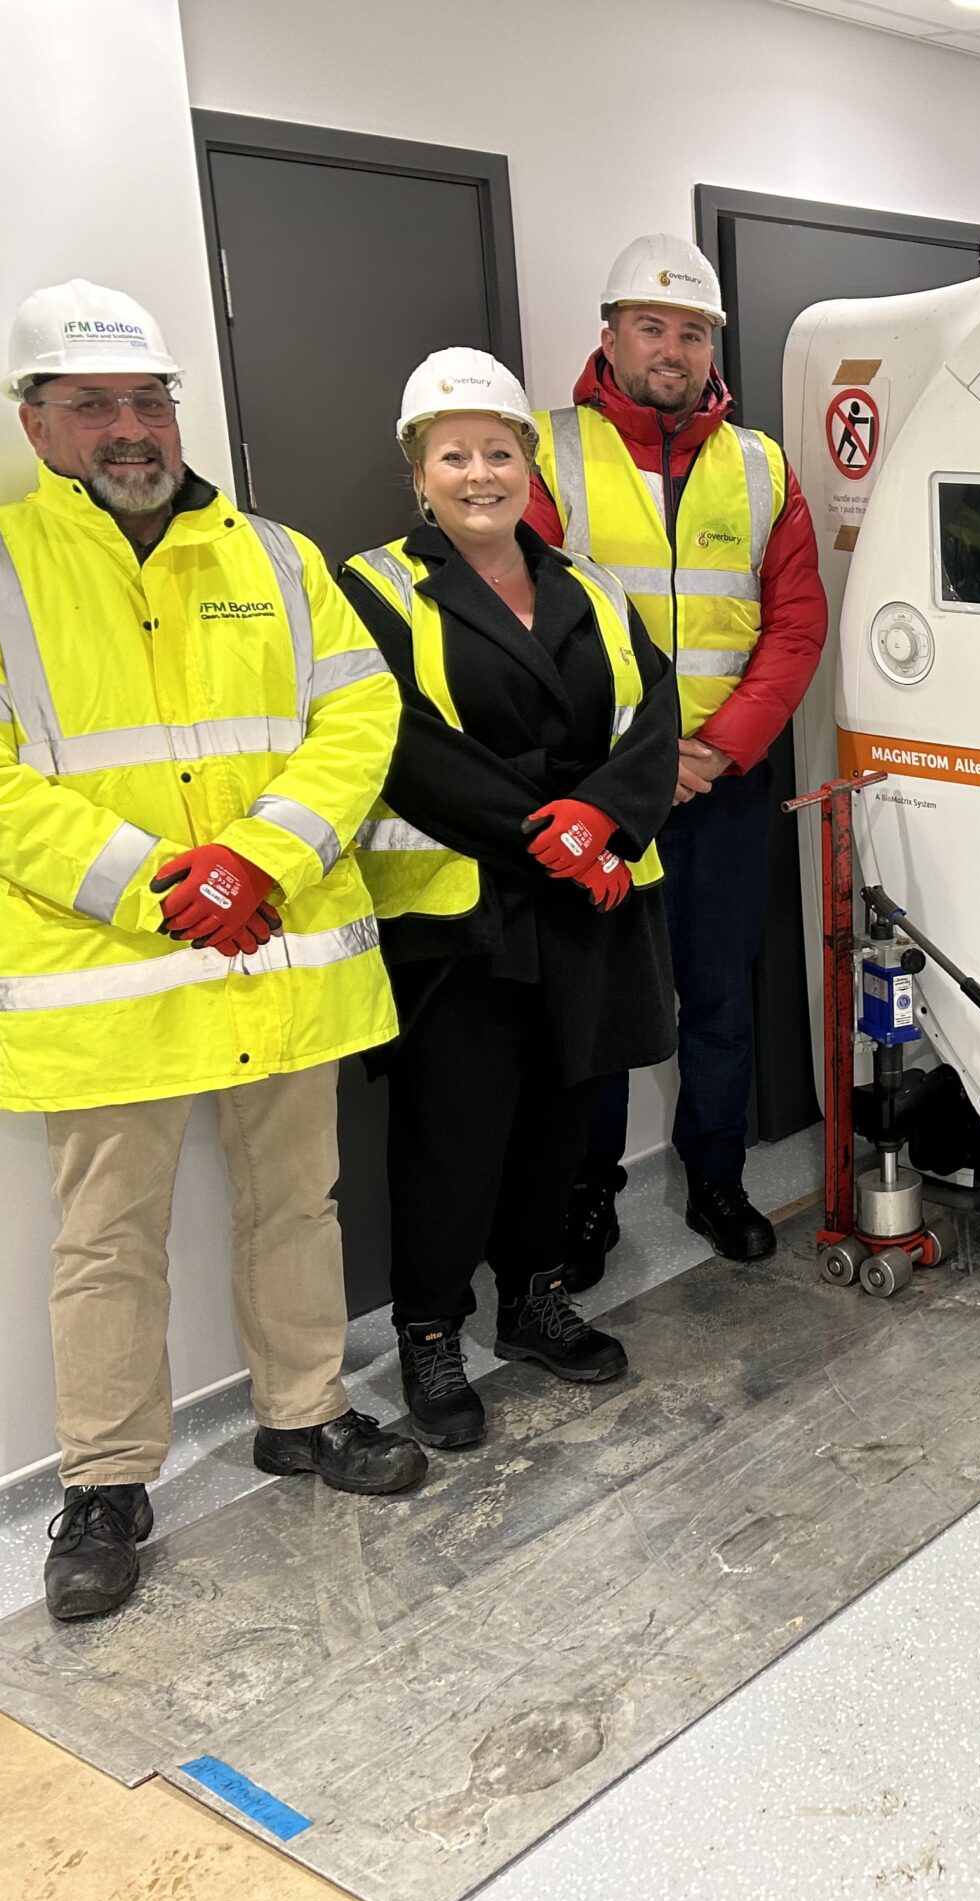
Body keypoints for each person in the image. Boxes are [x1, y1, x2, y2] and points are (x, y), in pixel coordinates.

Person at [0, 281, 425, 1622]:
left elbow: (358, 722)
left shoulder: (281, 559)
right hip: (109, 981)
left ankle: (304, 1417)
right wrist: (158, 884)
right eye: (92, 405)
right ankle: (107, 1485)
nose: (129, 428)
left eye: (148, 400)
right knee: (107, 1244)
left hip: (276, 955)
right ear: (37, 420)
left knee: (296, 1207)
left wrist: (264, 860)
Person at [339, 350, 680, 1450]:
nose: (479, 473)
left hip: (585, 901)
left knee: (560, 1115)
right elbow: (396, 742)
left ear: (529, 465)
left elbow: (652, 716)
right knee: (453, 1133)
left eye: (498, 452)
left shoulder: (591, 587)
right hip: (462, 912)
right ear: (419, 474)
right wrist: (552, 832)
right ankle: (431, 1333)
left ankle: (533, 1297)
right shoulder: (375, 587)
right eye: (454, 456)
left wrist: (608, 820)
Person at [520, 234, 828, 1281]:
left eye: (691, 331)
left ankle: (715, 1177)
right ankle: (587, 1198)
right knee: (599, 1004)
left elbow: (793, 629)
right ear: (609, 335)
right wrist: (638, 770)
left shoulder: (761, 464)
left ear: (713, 348)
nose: (673, 348)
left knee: (720, 996)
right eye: (651, 326)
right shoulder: (541, 452)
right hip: (602, 792)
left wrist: (719, 751)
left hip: (725, 788)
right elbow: (523, 623)